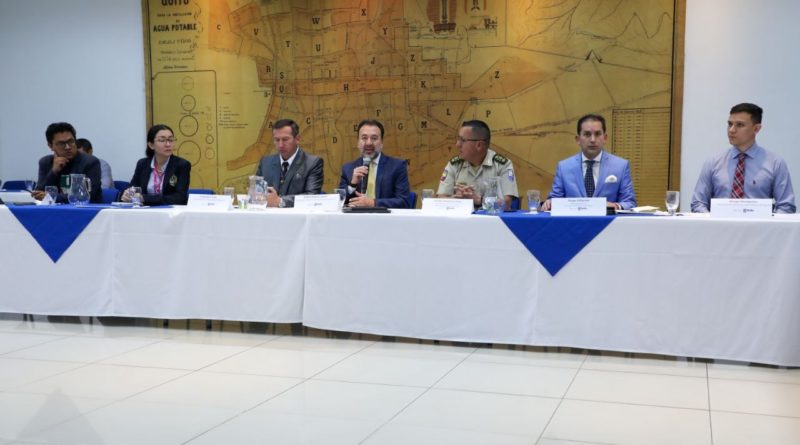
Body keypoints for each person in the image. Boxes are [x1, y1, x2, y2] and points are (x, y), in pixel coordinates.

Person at [691, 103, 795, 213]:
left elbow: (786, 206)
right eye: (730, 124)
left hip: (759, 224)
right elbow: (698, 203)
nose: (731, 130)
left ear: (756, 129)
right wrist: (711, 221)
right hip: (719, 223)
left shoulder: (775, 163)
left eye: (739, 125)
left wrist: (769, 223)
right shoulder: (713, 162)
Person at [542, 114, 636, 211]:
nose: (592, 140)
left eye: (597, 134)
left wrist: (615, 206)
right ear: (578, 139)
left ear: (605, 138)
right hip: (575, 220)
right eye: (587, 134)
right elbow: (555, 199)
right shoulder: (564, 167)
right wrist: (550, 203)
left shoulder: (620, 166)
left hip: (608, 220)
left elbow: (630, 203)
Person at [436, 120, 519, 209]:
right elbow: (441, 199)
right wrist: (460, 199)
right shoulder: (454, 165)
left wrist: (479, 200)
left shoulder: (502, 165)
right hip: (462, 217)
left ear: (479, 145)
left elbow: (506, 203)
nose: (457, 144)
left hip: (491, 218)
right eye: (458, 139)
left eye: (462, 140)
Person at [338, 119, 411, 208]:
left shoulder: (397, 166)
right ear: (358, 142)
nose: (369, 143)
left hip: (385, 216)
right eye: (364, 138)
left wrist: (372, 203)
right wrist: (352, 185)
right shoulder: (348, 169)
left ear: (382, 142)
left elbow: (404, 202)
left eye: (374, 138)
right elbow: (339, 202)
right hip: (357, 216)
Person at [254, 119, 323, 207]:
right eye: (277, 140)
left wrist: (281, 201)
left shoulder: (312, 163)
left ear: (297, 139)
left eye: (285, 139)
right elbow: (257, 193)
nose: (280, 145)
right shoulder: (265, 162)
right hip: (268, 214)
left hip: (297, 215)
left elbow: (312, 196)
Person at [121, 124, 191, 205]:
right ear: (151, 145)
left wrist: (145, 198)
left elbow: (180, 198)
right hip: (144, 210)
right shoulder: (142, 164)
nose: (168, 144)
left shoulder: (182, 165)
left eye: (171, 140)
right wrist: (128, 194)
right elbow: (133, 188)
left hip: (169, 211)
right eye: (162, 140)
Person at [33, 122, 102, 203]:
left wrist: (53, 197)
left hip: (84, 209)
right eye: (61, 144)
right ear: (51, 146)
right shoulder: (45, 162)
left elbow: (86, 196)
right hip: (52, 209)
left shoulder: (90, 162)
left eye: (71, 141)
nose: (68, 147)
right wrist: (53, 172)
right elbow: (39, 194)